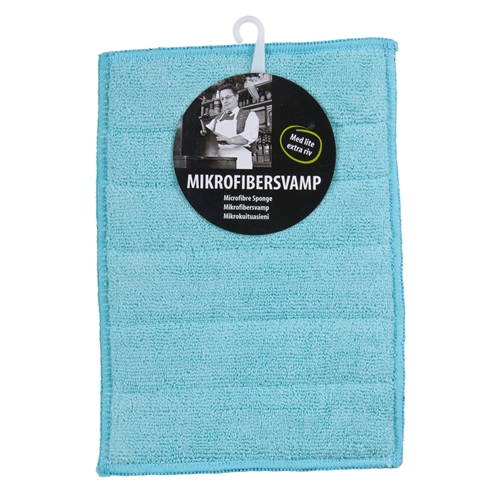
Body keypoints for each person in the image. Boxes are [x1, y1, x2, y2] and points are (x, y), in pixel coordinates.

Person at [204, 84, 260, 169]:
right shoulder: (216, 119)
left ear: (237, 96)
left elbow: (248, 137)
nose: (225, 101)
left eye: (228, 97)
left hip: (241, 163)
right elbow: (205, 133)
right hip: (220, 163)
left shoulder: (249, 115)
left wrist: (229, 140)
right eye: (222, 99)